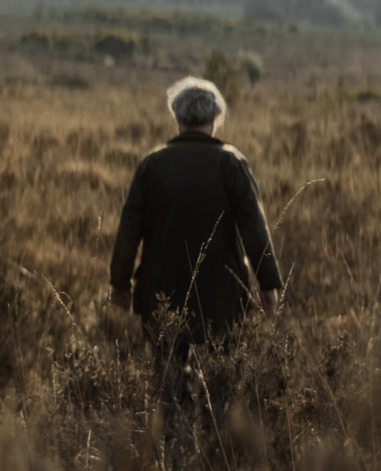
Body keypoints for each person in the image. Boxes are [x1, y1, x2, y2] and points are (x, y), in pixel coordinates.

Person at [109, 76, 282, 432]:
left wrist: (119, 283)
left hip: (161, 291)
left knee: (168, 380)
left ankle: (172, 442)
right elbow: (255, 231)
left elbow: (128, 232)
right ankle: (218, 442)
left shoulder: (152, 165)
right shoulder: (231, 163)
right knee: (223, 381)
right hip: (222, 296)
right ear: (216, 118)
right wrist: (268, 284)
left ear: (177, 117)